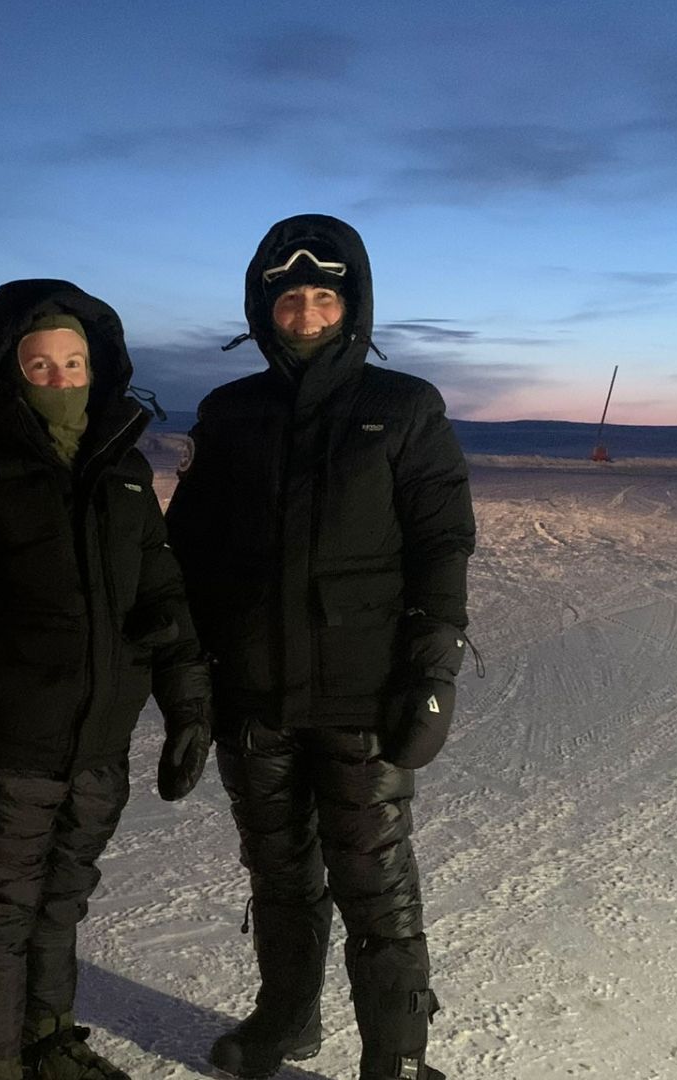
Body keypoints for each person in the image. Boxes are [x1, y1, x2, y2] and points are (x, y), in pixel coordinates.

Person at [166, 215, 474, 1080]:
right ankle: (286, 1019)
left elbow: (442, 544)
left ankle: (397, 1055)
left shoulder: (404, 409)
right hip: (255, 698)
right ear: (264, 311)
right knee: (280, 877)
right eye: (290, 300)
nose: (305, 316)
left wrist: (433, 670)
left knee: (375, 883)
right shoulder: (232, 414)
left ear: (354, 307)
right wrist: (190, 684)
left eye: (324, 298)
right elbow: (186, 557)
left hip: (363, 698)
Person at [0, 279, 213, 1080]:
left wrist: (188, 705)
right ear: (9, 374)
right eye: (42, 365)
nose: (62, 380)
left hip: (99, 748)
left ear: (101, 367)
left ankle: (46, 1042)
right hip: (8, 747)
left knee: (61, 904)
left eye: (75, 362)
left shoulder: (127, 473)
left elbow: (162, 595)